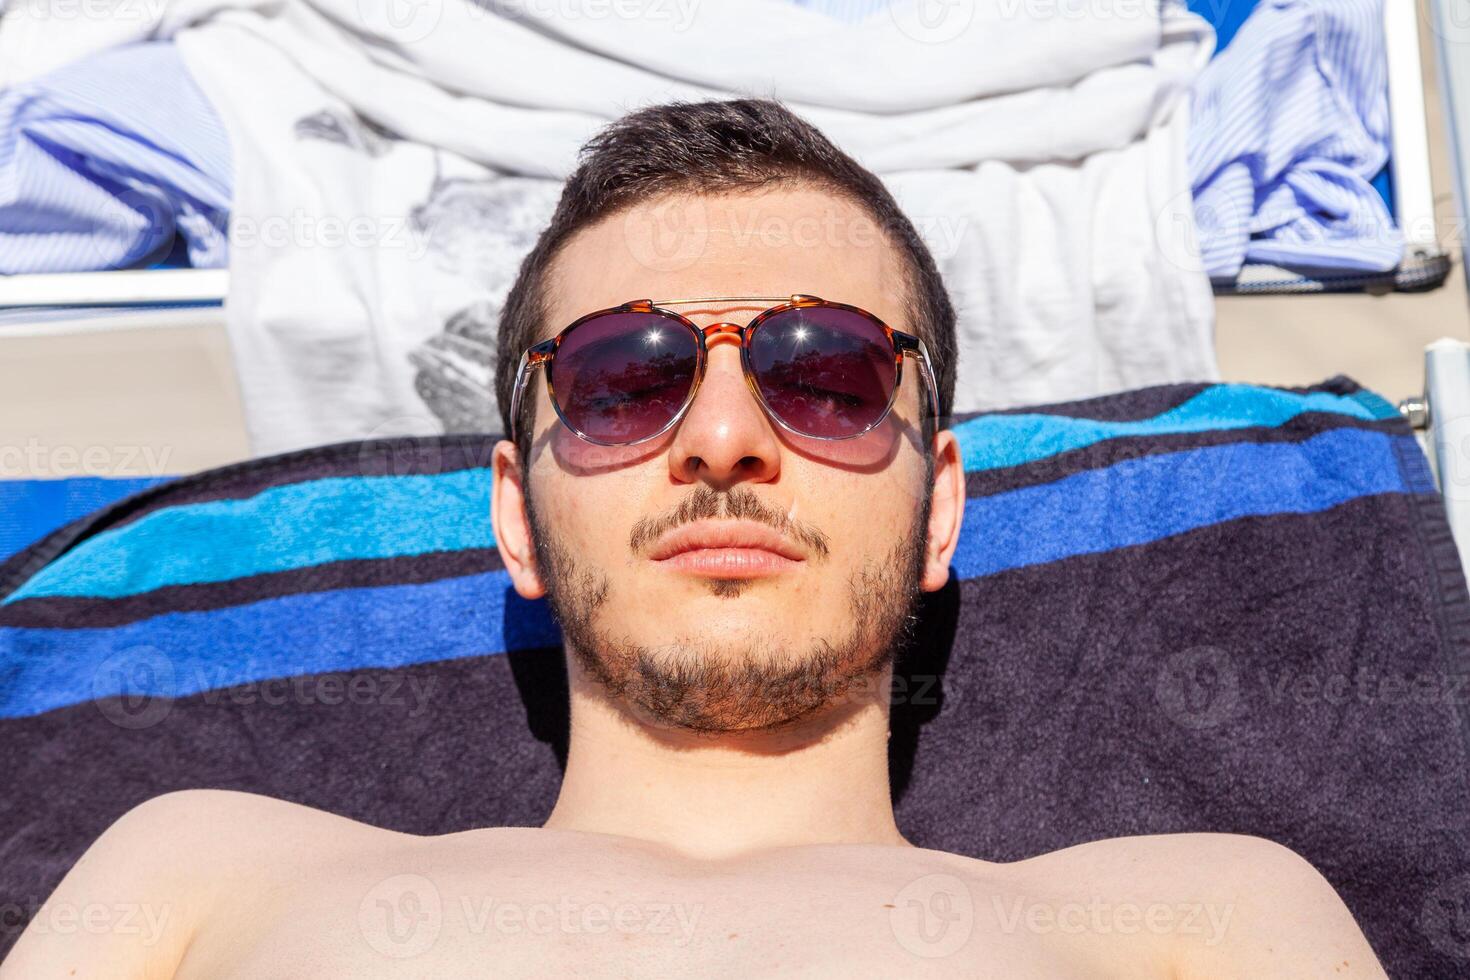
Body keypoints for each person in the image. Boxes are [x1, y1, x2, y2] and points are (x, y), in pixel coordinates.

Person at [1, 98, 1385, 978]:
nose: (722, 434)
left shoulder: (1197, 918)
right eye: (625, 377)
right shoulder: (201, 869)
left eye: (826, 372)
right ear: (513, 512)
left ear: (940, 502)